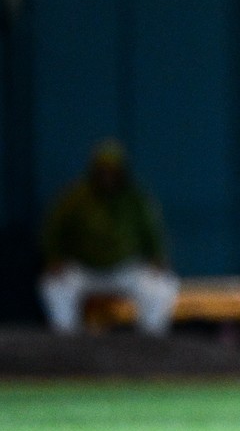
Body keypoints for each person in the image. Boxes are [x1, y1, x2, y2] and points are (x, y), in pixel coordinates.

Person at [39, 138, 179, 336]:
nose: (107, 176)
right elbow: (53, 230)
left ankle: (150, 346)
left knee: (162, 286)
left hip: (126, 269)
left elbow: (153, 232)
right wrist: (53, 258)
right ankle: (66, 344)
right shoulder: (75, 197)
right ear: (94, 169)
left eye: (112, 170)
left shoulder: (135, 198)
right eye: (103, 170)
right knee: (53, 285)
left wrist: (159, 258)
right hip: (84, 269)